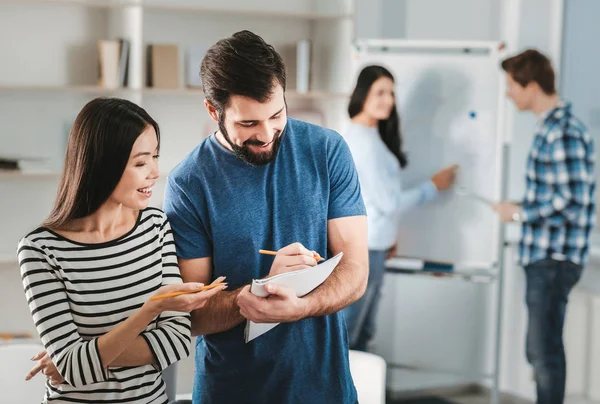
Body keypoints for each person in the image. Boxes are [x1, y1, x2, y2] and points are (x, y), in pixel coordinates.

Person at [163, 30, 369, 404]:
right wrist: (256, 291)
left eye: (276, 115)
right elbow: (192, 316)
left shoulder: (327, 150)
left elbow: (355, 270)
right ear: (214, 111)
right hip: (231, 391)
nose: (267, 133)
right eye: (248, 124)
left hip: (325, 389)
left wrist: (301, 305)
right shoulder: (189, 182)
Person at [17, 97, 226, 403]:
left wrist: (84, 356)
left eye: (155, 156)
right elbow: (73, 367)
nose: (154, 171)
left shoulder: (155, 226)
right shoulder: (41, 250)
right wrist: (150, 310)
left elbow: (177, 340)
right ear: (102, 164)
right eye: (141, 162)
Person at [493, 49, 596, 404]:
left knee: (544, 352)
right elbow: (557, 195)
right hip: (545, 256)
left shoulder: (563, 131)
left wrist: (519, 215)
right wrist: (517, 207)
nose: (509, 93)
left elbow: (569, 200)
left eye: (512, 85)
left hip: (553, 258)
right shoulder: (551, 129)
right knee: (539, 350)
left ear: (531, 85)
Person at [341, 65, 458, 351]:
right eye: (380, 92)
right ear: (363, 93)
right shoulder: (363, 142)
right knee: (352, 336)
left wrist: (388, 236)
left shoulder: (371, 137)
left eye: (391, 93)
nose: (389, 100)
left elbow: (374, 200)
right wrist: (432, 186)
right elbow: (388, 202)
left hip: (375, 246)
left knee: (362, 332)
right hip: (365, 249)